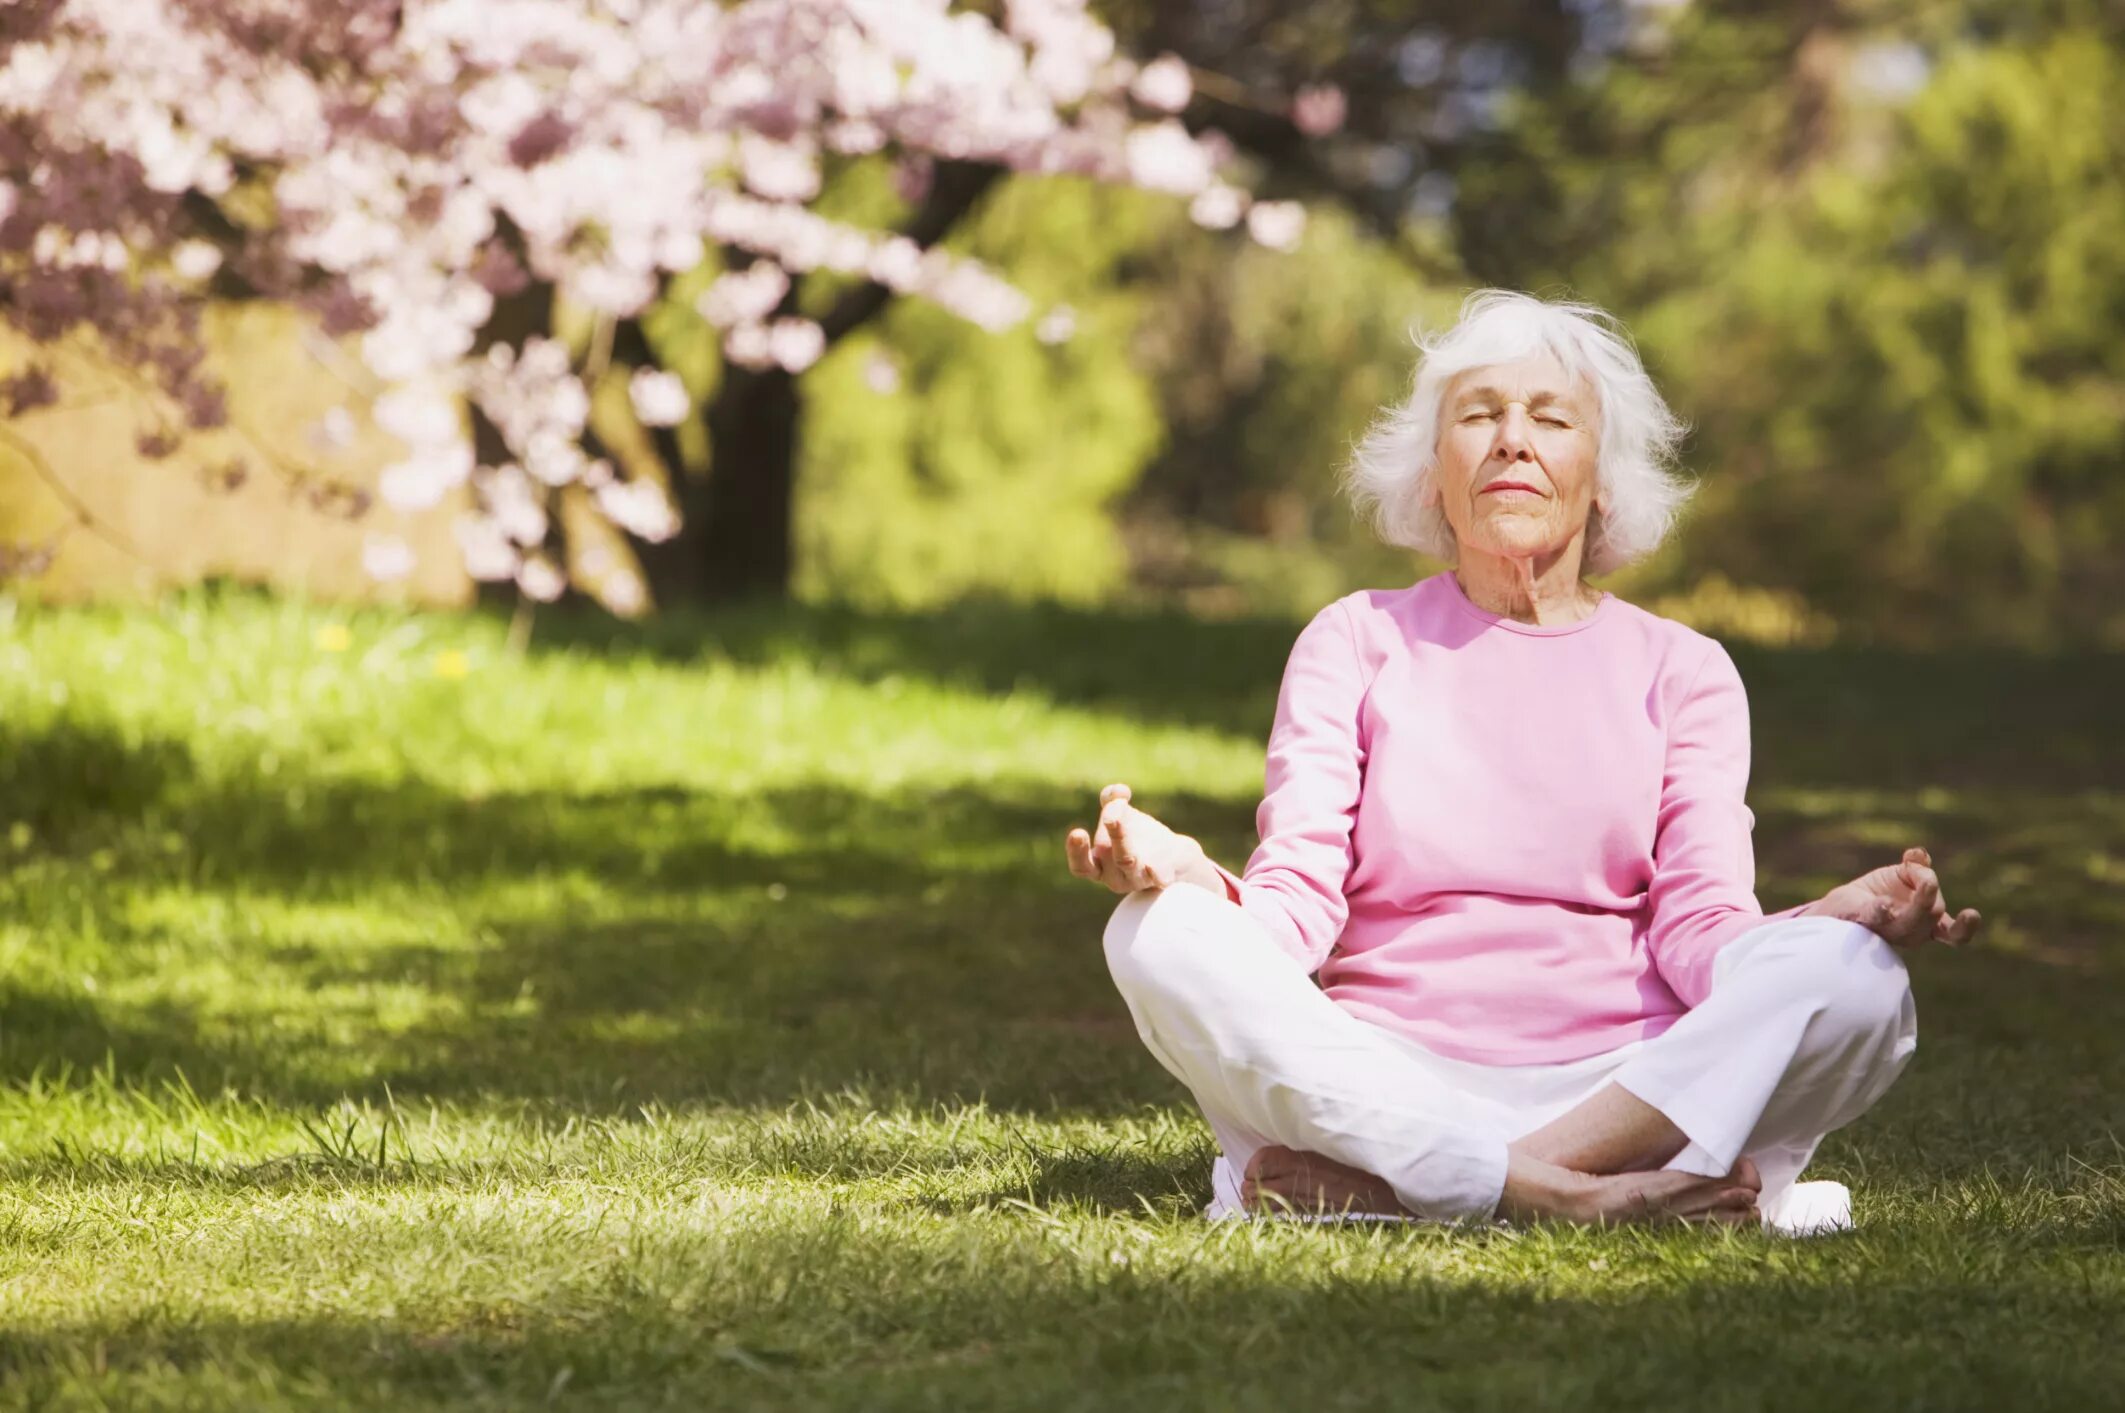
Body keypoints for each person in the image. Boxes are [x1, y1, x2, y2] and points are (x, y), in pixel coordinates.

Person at [1064, 289, 1981, 1231]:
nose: (1511, 440)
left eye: (1548, 418)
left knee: (1857, 976)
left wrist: (1826, 918)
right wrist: (1185, 874)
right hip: (1384, 1083)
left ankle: (1415, 1196)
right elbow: (1294, 907)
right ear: (1432, 477)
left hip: (1629, 1096)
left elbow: (1702, 930)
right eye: (1477, 416)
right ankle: (1573, 1201)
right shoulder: (1353, 639)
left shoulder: (1686, 671)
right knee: (1151, 933)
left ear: (1604, 479)